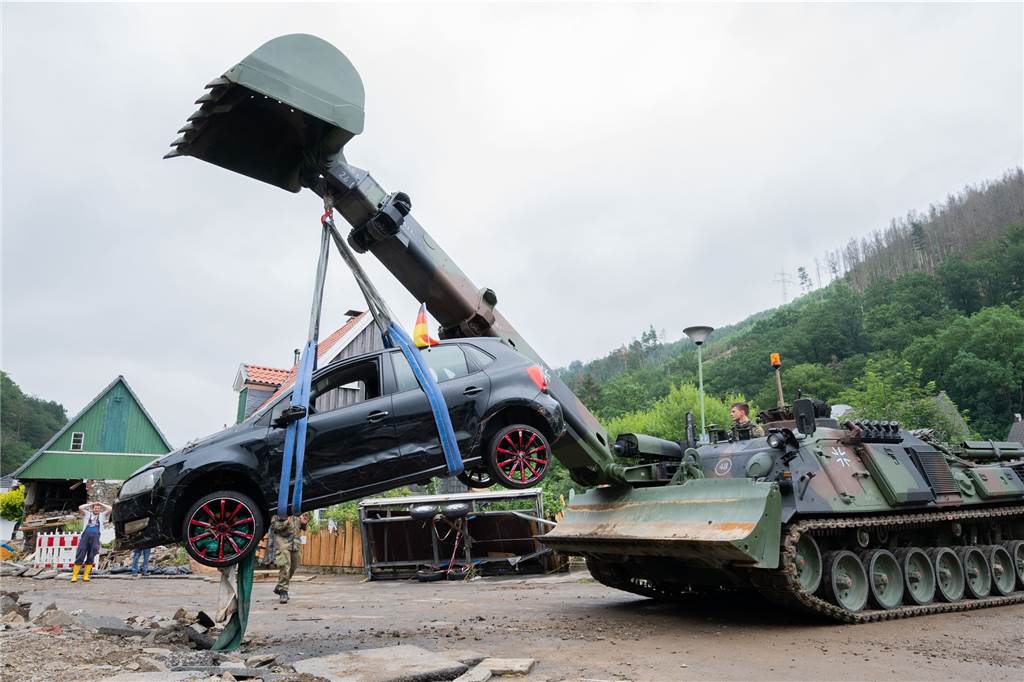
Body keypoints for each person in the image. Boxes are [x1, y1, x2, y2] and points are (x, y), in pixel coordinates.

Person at [270, 512, 309, 603]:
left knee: (293, 567)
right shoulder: (279, 511)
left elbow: (303, 528)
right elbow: (274, 526)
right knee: (285, 566)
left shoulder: (297, 511)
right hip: (283, 543)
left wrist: (304, 523)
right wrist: (286, 523)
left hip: (295, 544)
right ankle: (283, 591)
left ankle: (280, 586)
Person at [71, 501, 111, 583]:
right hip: (85, 537)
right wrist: (91, 504)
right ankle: (74, 576)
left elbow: (110, 508)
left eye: (98, 508)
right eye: (95, 508)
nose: (97, 509)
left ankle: (86, 575)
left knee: (91, 555)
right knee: (80, 554)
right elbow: (80, 507)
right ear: (92, 509)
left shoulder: (102, 515)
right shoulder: (87, 514)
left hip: (95, 538)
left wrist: (100, 503)